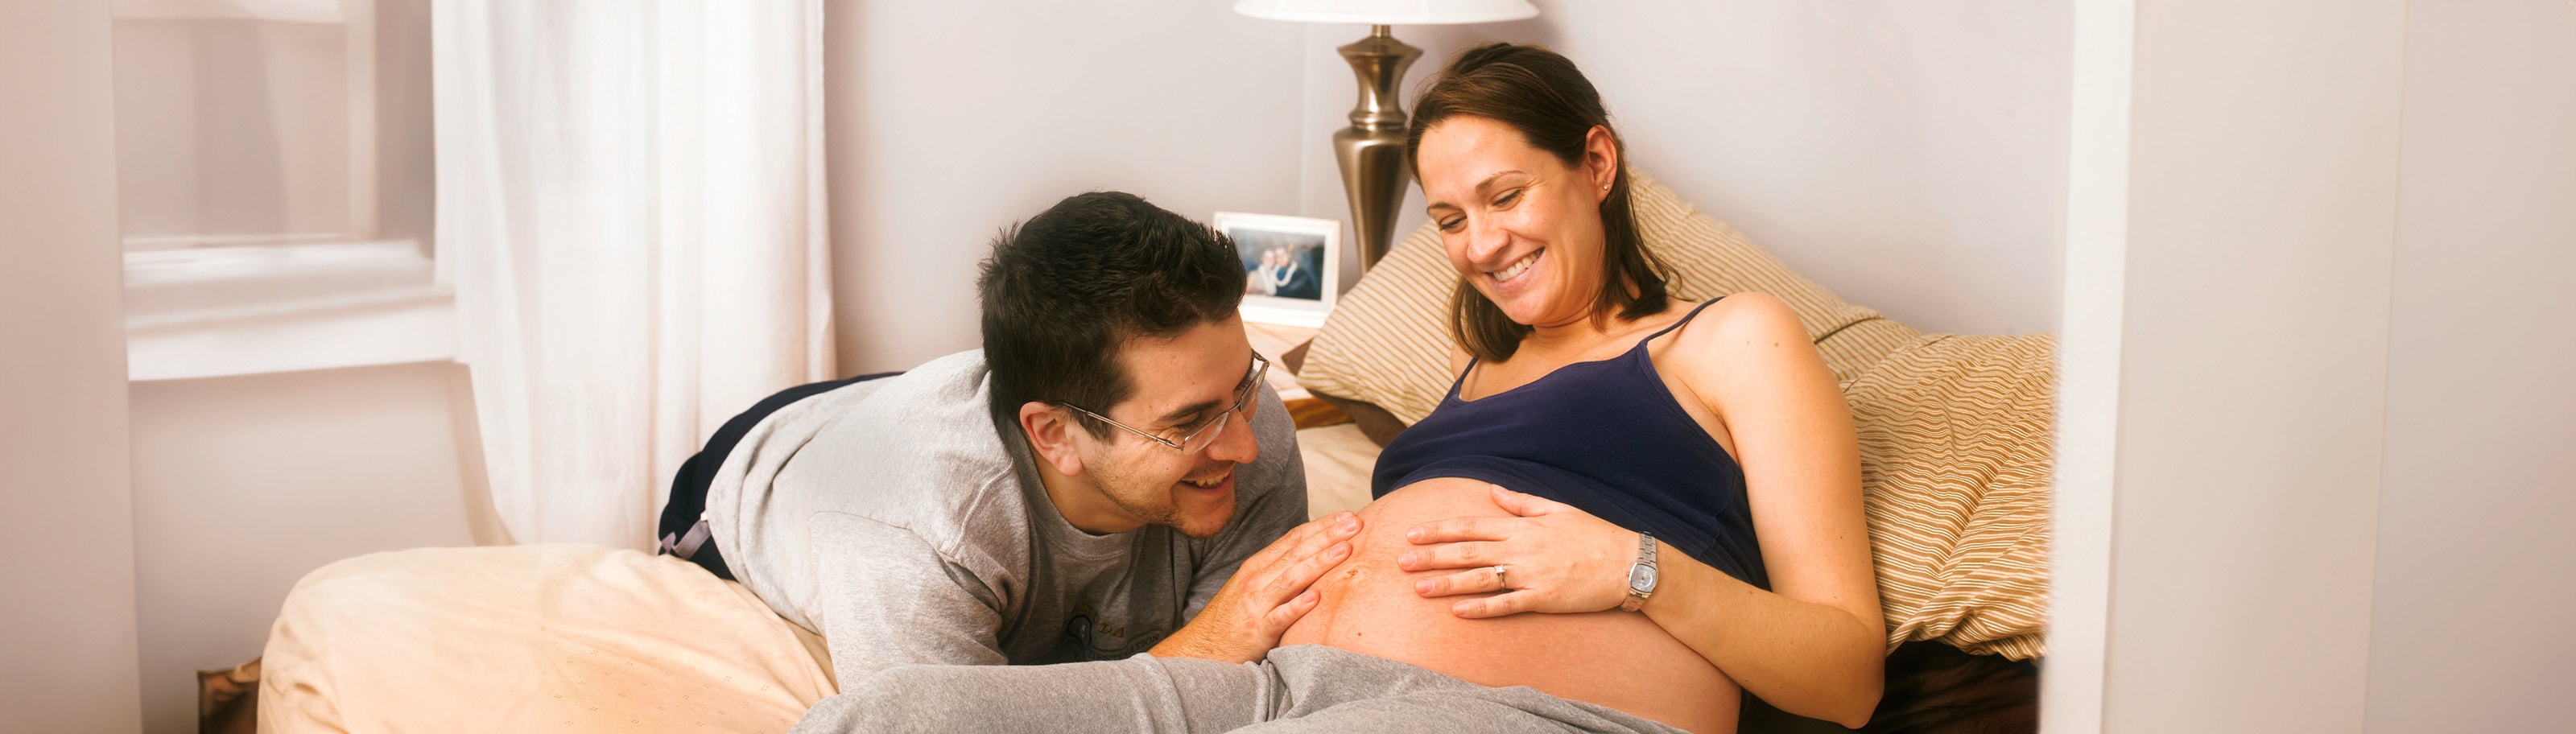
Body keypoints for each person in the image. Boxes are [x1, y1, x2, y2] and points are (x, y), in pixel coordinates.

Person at [799, 43, 1882, 734]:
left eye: (1506, 195)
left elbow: (1847, 677)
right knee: (887, 718)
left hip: (1525, 710)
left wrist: (1633, 570)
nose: (1482, 243)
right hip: (1281, 689)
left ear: (1595, 164)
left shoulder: (1733, 339)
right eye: (1451, 219)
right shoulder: (1468, 377)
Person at [652, 192, 1371, 720]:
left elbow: (1245, 693)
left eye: (1242, 387)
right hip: (763, 464)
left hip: (961, 407)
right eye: (1188, 423)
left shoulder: (1249, 416)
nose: (1243, 445)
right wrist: (1213, 641)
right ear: (1055, 434)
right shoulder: (902, 531)